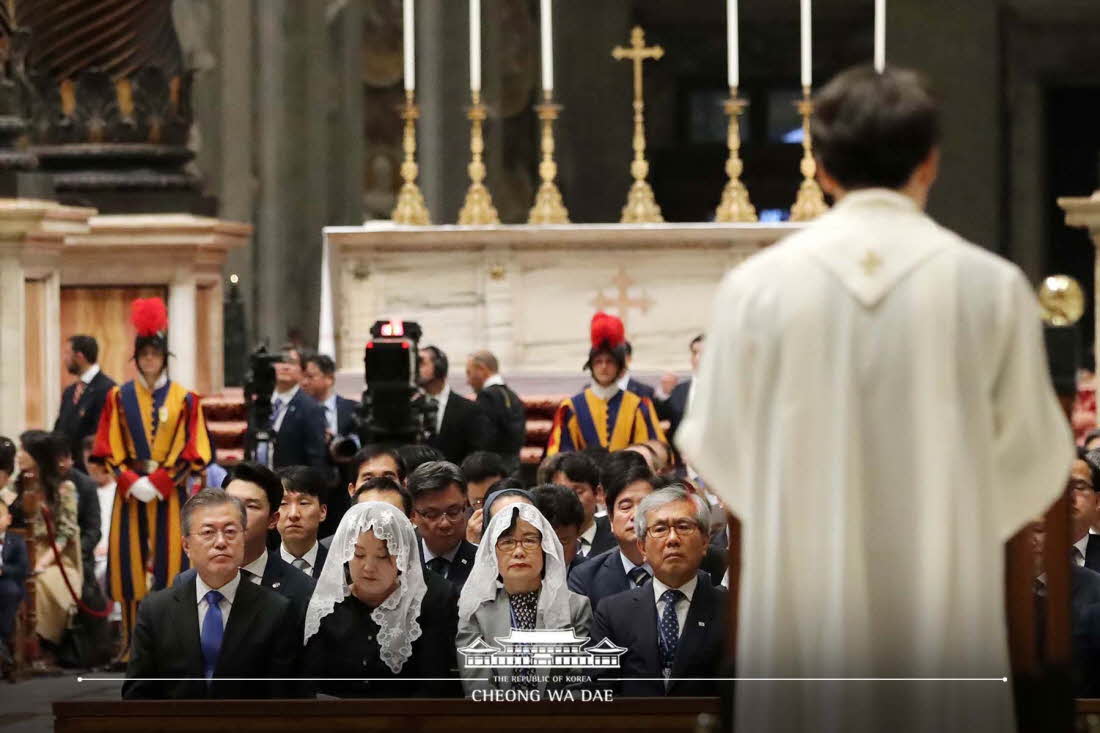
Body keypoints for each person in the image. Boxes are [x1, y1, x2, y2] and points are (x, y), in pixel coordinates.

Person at [676, 65, 1074, 732]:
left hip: (804, 606)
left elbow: (716, 446)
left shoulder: (757, 289)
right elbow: (1035, 461)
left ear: (823, 169)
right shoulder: (991, 286)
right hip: (945, 605)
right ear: (930, 162)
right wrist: (950, 517)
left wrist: (802, 513)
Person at [91, 297, 214, 649]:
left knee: (171, 563)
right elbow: (107, 445)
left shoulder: (185, 398)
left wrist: (161, 481)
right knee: (128, 567)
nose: (149, 360)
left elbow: (195, 446)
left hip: (168, 490)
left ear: (164, 358)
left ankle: (174, 644)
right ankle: (130, 645)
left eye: (155, 354)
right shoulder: (118, 396)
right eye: (143, 355)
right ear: (136, 358)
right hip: (129, 492)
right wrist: (130, 481)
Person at [123, 489, 299, 699]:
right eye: (208, 532)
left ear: (243, 538)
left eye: (231, 531)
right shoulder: (155, 610)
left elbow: (285, 700)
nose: (221, 542)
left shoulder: (276, 611)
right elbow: (137, 696)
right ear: (186, 545)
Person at [303, 501, 461, 697]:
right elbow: (309, 684)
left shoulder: (426, 604)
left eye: (383, 556)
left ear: (403, 558)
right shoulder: (325, 606)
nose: (368, 567)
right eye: (358, 555)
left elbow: (434, 685)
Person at [592, 485, 727, 696]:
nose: (672, 539)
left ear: (704, 542)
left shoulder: (731, 610)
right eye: (660, 529)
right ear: (642, 547)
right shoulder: (613, 613)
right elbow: (600, 690)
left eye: (683, 526)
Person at [455, 502, 592, 694]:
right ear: (492, 554)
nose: (519, 551)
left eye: (529, 541)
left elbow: (576, 683)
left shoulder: (576, 607)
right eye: (507, 542)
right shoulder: (475, 610)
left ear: (545, 549)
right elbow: (479, 688)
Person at [174, 462, 315, 630]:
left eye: (251, 506)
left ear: (273, 520)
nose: (237, 515)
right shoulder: (187, 581)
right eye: (231, 504)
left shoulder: (302, 589)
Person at [546, 313, 666, 456]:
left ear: (620, 368)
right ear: (590, 366)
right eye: (598, 361)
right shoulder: (571, 408)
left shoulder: (638, 407)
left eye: (610, 361)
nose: (603, 367)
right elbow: (560, 455)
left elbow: (655, 453)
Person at [12, 431, 82, 658]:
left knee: (39, 583)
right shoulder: (16, 488)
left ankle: (37, 644)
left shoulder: (64, 490)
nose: (19, 455)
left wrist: (41, 562)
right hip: (20, 551)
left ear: (38, 455)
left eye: (24, 450)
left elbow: (65, 535)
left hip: (57, 559)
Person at [302, 353, 359, 536]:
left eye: (311, 376)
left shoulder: (351, 408)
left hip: (344, 486)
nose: (305, 382)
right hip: (311, 485)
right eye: (303, 377)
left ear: (329, 378)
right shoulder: (299, 412)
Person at [409, 461, 477, 590]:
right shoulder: (401, 561)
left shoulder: (484, 563)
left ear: (466, 506)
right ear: (413, 515)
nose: (445, 524)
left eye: (453, 512)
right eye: (432, 514)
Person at [419, 345, 492, 465]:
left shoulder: (470, 410)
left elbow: (475, 456)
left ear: (439, 368)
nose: (414, 368)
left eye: (421, 363)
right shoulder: (410, 407)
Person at [260, 345, 328, 471]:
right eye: (281, 361)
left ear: (302, 372)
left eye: (291, 363)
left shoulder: (311, 408)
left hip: (292, 485)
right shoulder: (260, 401)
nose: (285, 367)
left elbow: (316, 459)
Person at [54, 335, 116, 472]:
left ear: (79, 356)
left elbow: (101, 432)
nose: (64, 359)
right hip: (66, 470)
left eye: (67, 354)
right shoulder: (70, 391)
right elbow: (59, 428)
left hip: (91, 470)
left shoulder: (107, 388)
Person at [541, 451, 615, 559]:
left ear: (598, 493)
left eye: (578, 491)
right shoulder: (542, 543)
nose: (569, 499)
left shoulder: (617, 540)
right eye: (562, 491)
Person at [51, 432, 100, 586]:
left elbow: (93, 531)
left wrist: (75, 553)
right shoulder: (43, 482)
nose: (60, 464)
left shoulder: (86, 485)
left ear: (71, 458)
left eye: (64, 458)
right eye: (56, 459)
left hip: (77, 553)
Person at [466, 350, 526, 475]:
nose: (468, 381)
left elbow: (484, 439)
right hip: (514, 468)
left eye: (469, 373)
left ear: (482, 369)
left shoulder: (487, 397)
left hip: (494, 472)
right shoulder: (512, 395)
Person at [276, 466, 329, 580]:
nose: (293, 514)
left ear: (322, 512)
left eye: (304, 503)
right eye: (283, 503)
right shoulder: (262, 570)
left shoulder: (342, 569)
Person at [655, 334, 702, 447]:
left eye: (704, 353)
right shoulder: (679, 390)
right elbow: (659, 417)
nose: (698, 358)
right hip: (680, 458)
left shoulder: (727, 391)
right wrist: (664, 393)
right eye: (695, 353)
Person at [532, 483, 586, 570]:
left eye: (562, 542)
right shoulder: (510, 577)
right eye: (544, 542)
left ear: (578, 534)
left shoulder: (593, 578)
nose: (553, 552)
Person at [0, 501, 28, 666]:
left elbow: (22, 568)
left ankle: (2, 639)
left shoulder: (16, 541)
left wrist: (3, 570)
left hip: (7, 582)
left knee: (9, 592)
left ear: (9, 519)